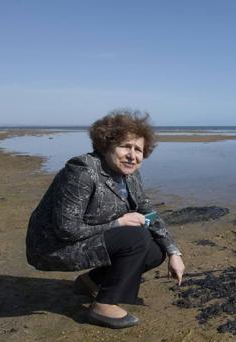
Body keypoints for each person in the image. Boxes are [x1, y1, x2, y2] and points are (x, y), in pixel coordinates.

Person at [26, 110, 185, 329]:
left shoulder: (130, 175)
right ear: (105, 145)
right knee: (136, 236)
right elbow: (66, 228)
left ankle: (90, 282)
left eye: (138, 149)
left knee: (155, 248)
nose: (132, 155)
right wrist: (119, 223)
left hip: (86, 238)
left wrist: (173, 252)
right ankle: (103, 306)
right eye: (125, 146)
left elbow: (149, 213)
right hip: (54, 246)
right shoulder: (82, 171)